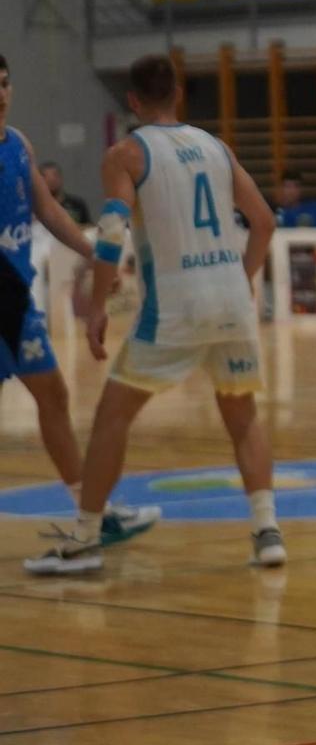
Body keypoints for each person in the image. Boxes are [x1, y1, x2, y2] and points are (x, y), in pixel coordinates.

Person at [28, 56, 279, 575]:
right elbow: (264, 222)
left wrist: (97, 306)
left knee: (111, 418)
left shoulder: (126, 154)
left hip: (176, 306)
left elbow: (113, 233)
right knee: (242, 413)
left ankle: (85, 538)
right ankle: (267, 531)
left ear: (134, 102)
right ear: (179, 94)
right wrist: (244, 279)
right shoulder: (216, 146)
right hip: (229, 296)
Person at [0, 58, 160, 570]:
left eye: (3, 83)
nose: (0, 94)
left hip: (15, 301)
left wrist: (93, 251)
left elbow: (47, 210)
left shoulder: (18, 144)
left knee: (55, 394)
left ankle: (91, 512)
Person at [38, 161, 88, 226]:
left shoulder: (77, 204)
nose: (52, 180)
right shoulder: (36, 208)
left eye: (55, 175)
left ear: (61, 178)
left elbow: (89, 227)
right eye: (46, 177)